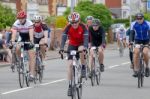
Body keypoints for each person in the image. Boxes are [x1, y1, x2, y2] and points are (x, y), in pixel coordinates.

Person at [59, 12, 88, 96]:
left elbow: (86, 39)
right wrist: (61, 49)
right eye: (72, 22)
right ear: (70, 22)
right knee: (70, 65)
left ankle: (83, 67)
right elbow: (64, 39)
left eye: (76, 22)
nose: (74, 24)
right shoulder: (67, 27)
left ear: (79, 21)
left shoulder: (83, 27)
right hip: (72, 44)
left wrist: (85, 48)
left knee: (81, 50)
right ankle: (70, 86)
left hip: (81, 43)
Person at [11, 10, 35, 80]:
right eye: (19, 18)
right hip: (21, 38)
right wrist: (12, 41)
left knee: (32, 55)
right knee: (17, 47)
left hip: (28, 38)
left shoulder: (29, 23)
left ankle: (32, 74)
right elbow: (14, 34)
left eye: (22, 18)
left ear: (25, 18)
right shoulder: (16, 23)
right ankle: (20, 60)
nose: (20, 20)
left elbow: (31, 34)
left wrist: (31, 41)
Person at [130, 12, 150, 77]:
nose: (139, 20)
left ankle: (147, 67)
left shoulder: (148, 23)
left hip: (146, 40)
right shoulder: (133, 24)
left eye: (140, 18)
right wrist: (131, 41)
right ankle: (136, 70)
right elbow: (132, 34)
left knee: (145, 52)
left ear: (143, 18)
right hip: (138, 40)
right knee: (136, 52)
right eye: (137, 19)